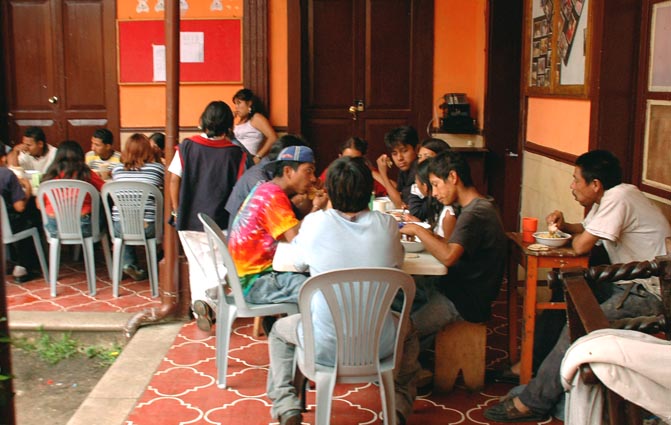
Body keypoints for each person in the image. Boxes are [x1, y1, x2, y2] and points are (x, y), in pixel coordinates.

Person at [484, 150, 671, 422]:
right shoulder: (608, 197)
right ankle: (530, 367)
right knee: (562, 298)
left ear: (595, 184)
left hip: (648, 294)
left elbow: (583, 245)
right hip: (625, 284)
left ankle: (533, 402)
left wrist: (567, 236)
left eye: (576, 180)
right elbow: (584, 229)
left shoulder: (619, 197)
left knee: (577, 324)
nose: (572, 186)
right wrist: (566, 225)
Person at [266, 156, 420, 425]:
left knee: (279, 332)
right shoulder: (386, 225)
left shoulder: (315, 224)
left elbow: (298, 262)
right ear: (369, 191)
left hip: (323, 346)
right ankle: (398, 406)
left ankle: (287, 406)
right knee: (409, 329)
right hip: (380, 344)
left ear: (330, 192)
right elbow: (398, 260)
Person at [400, 150, 506, 342]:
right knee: (401, 292)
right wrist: (427, 233)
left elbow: (449, 256)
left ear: (453, 177)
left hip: (464, 301)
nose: (434, 193)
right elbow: (452, 245)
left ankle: (406, 358)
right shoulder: (480, 205)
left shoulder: (474, 213)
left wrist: (417, 230)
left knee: (400, 332)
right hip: (456, 289)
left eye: (436, 185)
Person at [168, 101, 247, 332]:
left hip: (188, 218)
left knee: (197, 265)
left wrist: (177, 210)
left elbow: (174, 179)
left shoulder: (187, 147)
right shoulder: (236, 154)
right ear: (229, 125)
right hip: (220, 221)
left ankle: (202, 308)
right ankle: (210, 303)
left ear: (203, 120)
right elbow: (240, 189)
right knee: (220, 265)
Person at [228, 145, 327, 307]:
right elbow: (295, 238)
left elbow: (289, 229)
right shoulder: (274, 195)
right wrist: (317, 208)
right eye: (308, 171)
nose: (313, 179)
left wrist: (311, 201)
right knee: (321, 292)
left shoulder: (265, 188)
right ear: (288, 171)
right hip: (256, 281)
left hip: (246, 278)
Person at [109, 133, 165, 281]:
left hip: (120, 227)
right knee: (165, 215)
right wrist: (157, 158)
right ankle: (160, 257)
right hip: (148, 227)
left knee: (125, 217)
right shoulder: (157, 169)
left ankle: (129, 263)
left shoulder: (116, 170)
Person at [224, 134, 308, 231]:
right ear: (288, 169)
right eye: (307, 170)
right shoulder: (259, 181)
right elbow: (290, 231)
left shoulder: (274, 177)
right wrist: (314, 207)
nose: (313, 178)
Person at [38, 141, 106, 238]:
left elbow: (39, 205)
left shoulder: (50, 176)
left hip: (55, 227)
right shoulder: (86, 173)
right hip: (83, 225)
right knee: (99, 200)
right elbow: (105, 189)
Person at [0, 142, 42, 283]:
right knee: (31, 218)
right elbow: (20, 207)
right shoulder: (7, 174)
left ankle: (10, 259)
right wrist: (28, 189)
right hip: (8, 227)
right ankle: (23, 267)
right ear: (3, 158)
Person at [318, 136, 387, 197]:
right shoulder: (331, 172)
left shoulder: (368, 172)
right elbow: (319, 190)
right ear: (340, 157)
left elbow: (391, 190)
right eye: (346, 159)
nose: (351, 164)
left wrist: (371, 171)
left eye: (356, 160)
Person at [375, 126, 418, 213]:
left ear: (417, 149)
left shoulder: (418, 169)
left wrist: (383, 174)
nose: (399, 158)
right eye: (394, 153)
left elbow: (400, 204)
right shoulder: (404, 169)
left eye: (404, 151)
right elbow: (399, 194)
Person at [232, 88, 278, 163]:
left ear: (249, 103)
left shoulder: (256, 118)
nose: (236, 107)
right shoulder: (240, 121)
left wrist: (258, 157)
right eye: (235, 104)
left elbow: (273, 138)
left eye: (239, 103)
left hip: (247, 159)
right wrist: (230, 120)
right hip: (235, 158)